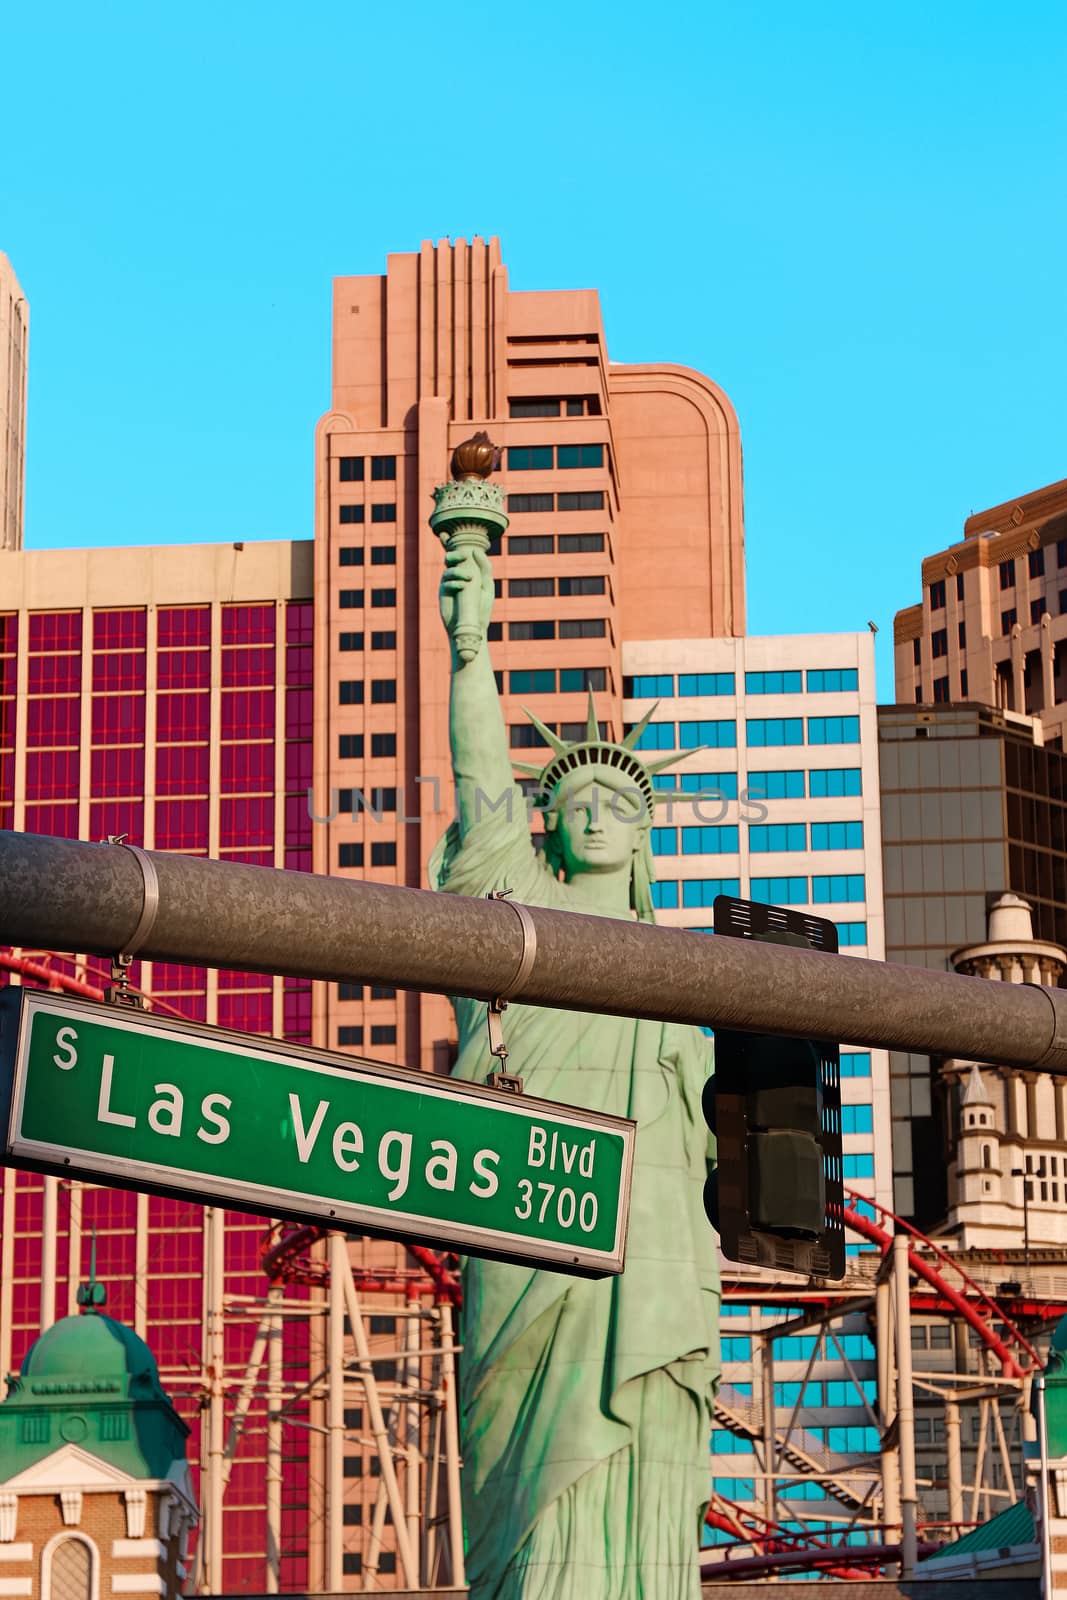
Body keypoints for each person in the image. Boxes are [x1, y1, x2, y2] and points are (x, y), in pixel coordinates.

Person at [429, 538, 720, 1599]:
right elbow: (475, 767)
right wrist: (469, 636)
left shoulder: (690, 978)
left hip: (650, 1253)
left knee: (642, 1453)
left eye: (621, 804)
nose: (596, 813)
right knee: (525, 1479)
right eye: (576, 800)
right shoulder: (515, 903)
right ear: (547, 822)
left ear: (645, 837)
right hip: (531, 1223)